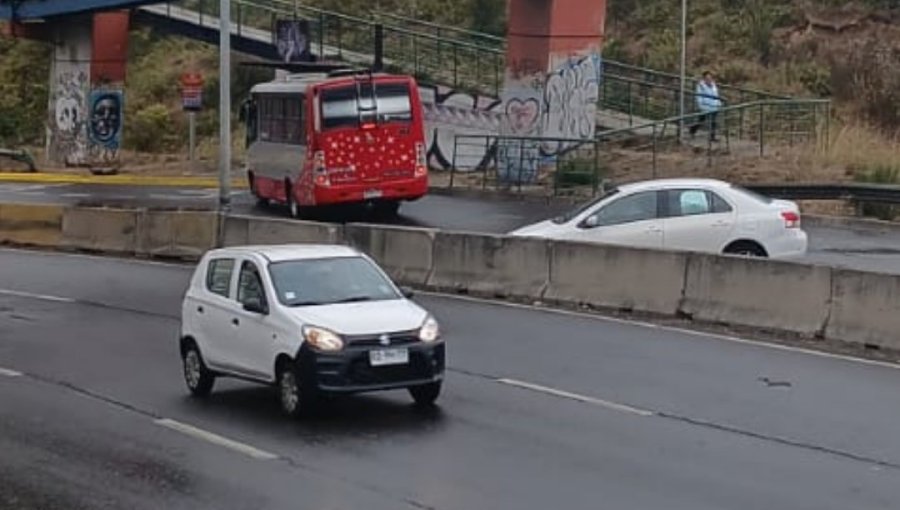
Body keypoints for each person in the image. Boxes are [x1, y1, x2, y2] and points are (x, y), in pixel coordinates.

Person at [689, 71, 722, 142]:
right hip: (705, 106)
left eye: (710, 78)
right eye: (707, 78)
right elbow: (699, 96)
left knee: (713, 122)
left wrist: (719, 103)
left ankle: (712, 137)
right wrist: (701, 105)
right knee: (701, 120)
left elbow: (716, 95)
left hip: (714, 106)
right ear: (704, 79)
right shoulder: (701, 86)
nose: (709, 79)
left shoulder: (713, 85)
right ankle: (692, 130)